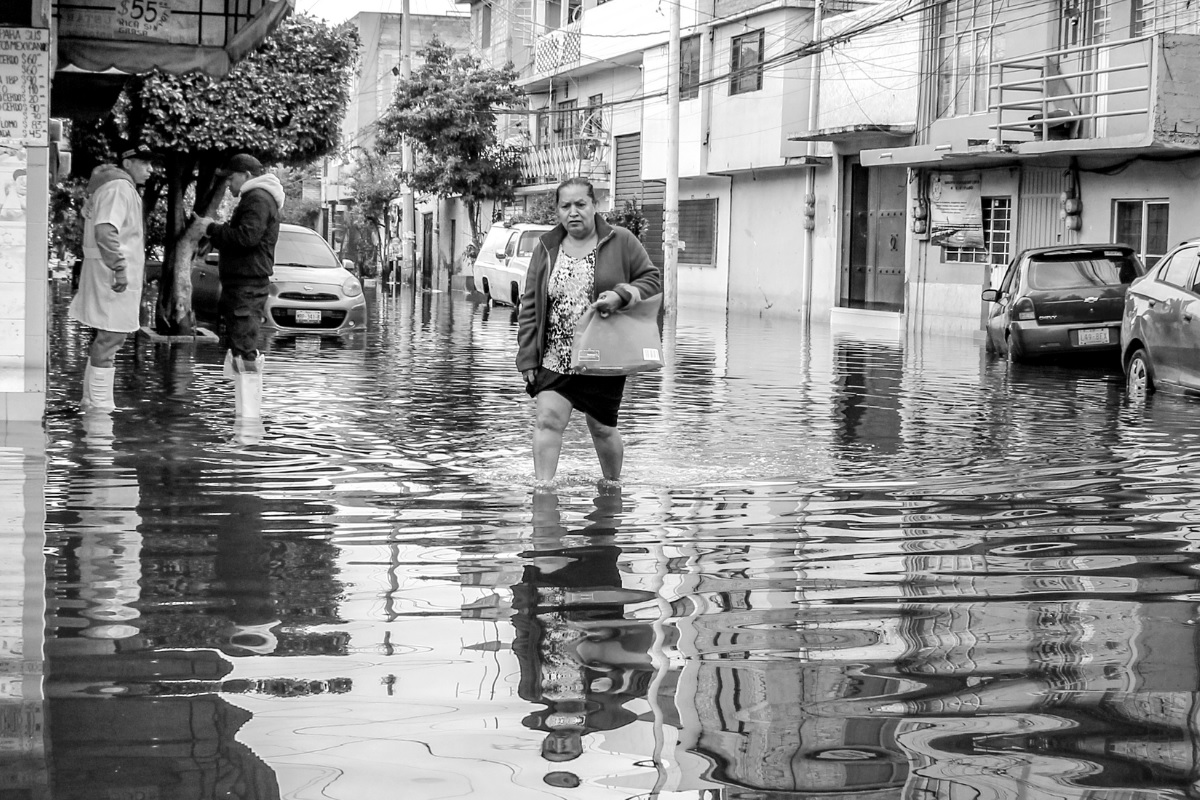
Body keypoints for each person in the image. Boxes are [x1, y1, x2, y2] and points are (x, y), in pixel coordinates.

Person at [516, 177, 661, 486]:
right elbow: (530, 303)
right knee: (547, 421)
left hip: (602, 358)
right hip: (555, 356)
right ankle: (543, 493)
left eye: (580, 204)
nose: (573, 212)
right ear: (556, 211)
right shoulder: (546, 247)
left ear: (595, 206)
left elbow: (652, 279)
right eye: (565, 206)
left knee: (602, 428)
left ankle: (612, 486)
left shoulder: (620, 240)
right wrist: (527, 357)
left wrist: (622, 294)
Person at [192, 153, 286, 419]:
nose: (229, 185)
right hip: (244, 285)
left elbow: (247, 237)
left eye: (231, 178)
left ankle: (248, 421)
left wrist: (212, 230)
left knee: (245, 351)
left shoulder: (257, 198)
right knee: (241, 347)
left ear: (246, 176)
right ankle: (245, 417)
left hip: (247, 286)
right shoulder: (258, 197)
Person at [68, 143, 156, 413]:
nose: (151, 169)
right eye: (145, 163)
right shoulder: (119, 188)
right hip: (112, 275)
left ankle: (91, 403)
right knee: (111, 338)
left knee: (107, 337)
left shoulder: (111, 187)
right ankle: (101, 410)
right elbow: (106, 230)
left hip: (105, 272)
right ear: (127, 163)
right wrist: (119, 267)